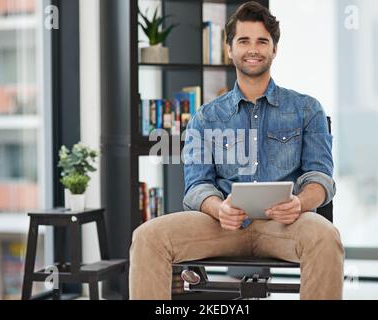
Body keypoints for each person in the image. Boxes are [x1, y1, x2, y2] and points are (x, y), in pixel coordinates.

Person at [129, 1, 344, 300]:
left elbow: (320, 176)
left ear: (274, 49)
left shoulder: (307, 109)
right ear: (229, 48)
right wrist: (219, 209)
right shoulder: (206, 116)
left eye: (262, 41)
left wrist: (300, 202)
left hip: (285, 225)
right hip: (221, 225)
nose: (252, 49)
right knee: (147, 237)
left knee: (326, 237)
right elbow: (197, 185)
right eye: (243, 41)